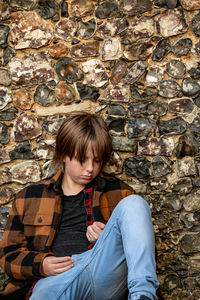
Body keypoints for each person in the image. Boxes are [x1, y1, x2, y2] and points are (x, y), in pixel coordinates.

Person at [0, 112, 159, 300]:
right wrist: (41, 265)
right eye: (83, 159)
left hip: (104, 275)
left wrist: (113, 239)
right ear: (64, 154)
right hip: (56, 281)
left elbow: (144, 255)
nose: (90, 168)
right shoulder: (29, 197)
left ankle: (144, 296)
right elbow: (8, 256)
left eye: (97, 160)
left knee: (135, 204)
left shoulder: (119, 193)